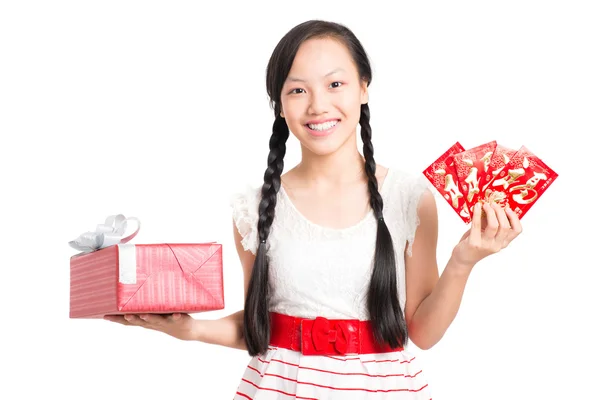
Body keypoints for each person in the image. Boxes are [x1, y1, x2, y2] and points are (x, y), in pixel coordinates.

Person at [105, 19, 522, 399]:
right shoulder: (253, 209)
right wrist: (190, 329)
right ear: (279, 105)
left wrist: (463, 260)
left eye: (335, 84)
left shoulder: (409, 197)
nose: (318, 105)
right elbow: (261, 328)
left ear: (364, 87)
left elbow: (423, 332)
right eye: (298, 89)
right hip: (276, 389)